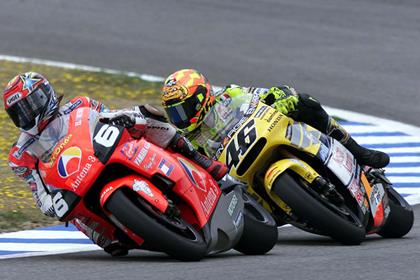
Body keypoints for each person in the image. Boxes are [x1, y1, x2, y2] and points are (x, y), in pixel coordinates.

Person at [3, 72, 228, 256]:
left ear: (45, 96)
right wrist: (50, 204)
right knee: (99, 235)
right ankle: (122, 231)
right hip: (73, 184)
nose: (27, 114)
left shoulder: (79, 105)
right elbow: (39, 192)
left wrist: (128, 117)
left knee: (145, 120)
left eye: (29, 105)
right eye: (19, 112)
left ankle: (201, 161)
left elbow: (109, 115)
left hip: (102, 152)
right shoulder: (20, 154)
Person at [160, 69, 390, 169]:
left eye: (182, 109)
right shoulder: (188, 140)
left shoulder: (230, 95)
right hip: (241, 175)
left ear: (201, 97)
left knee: (305, 102)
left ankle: (358, 152)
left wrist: (281, 97)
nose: (179, 118)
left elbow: (266, 93)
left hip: (268, 133)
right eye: (174, 113)